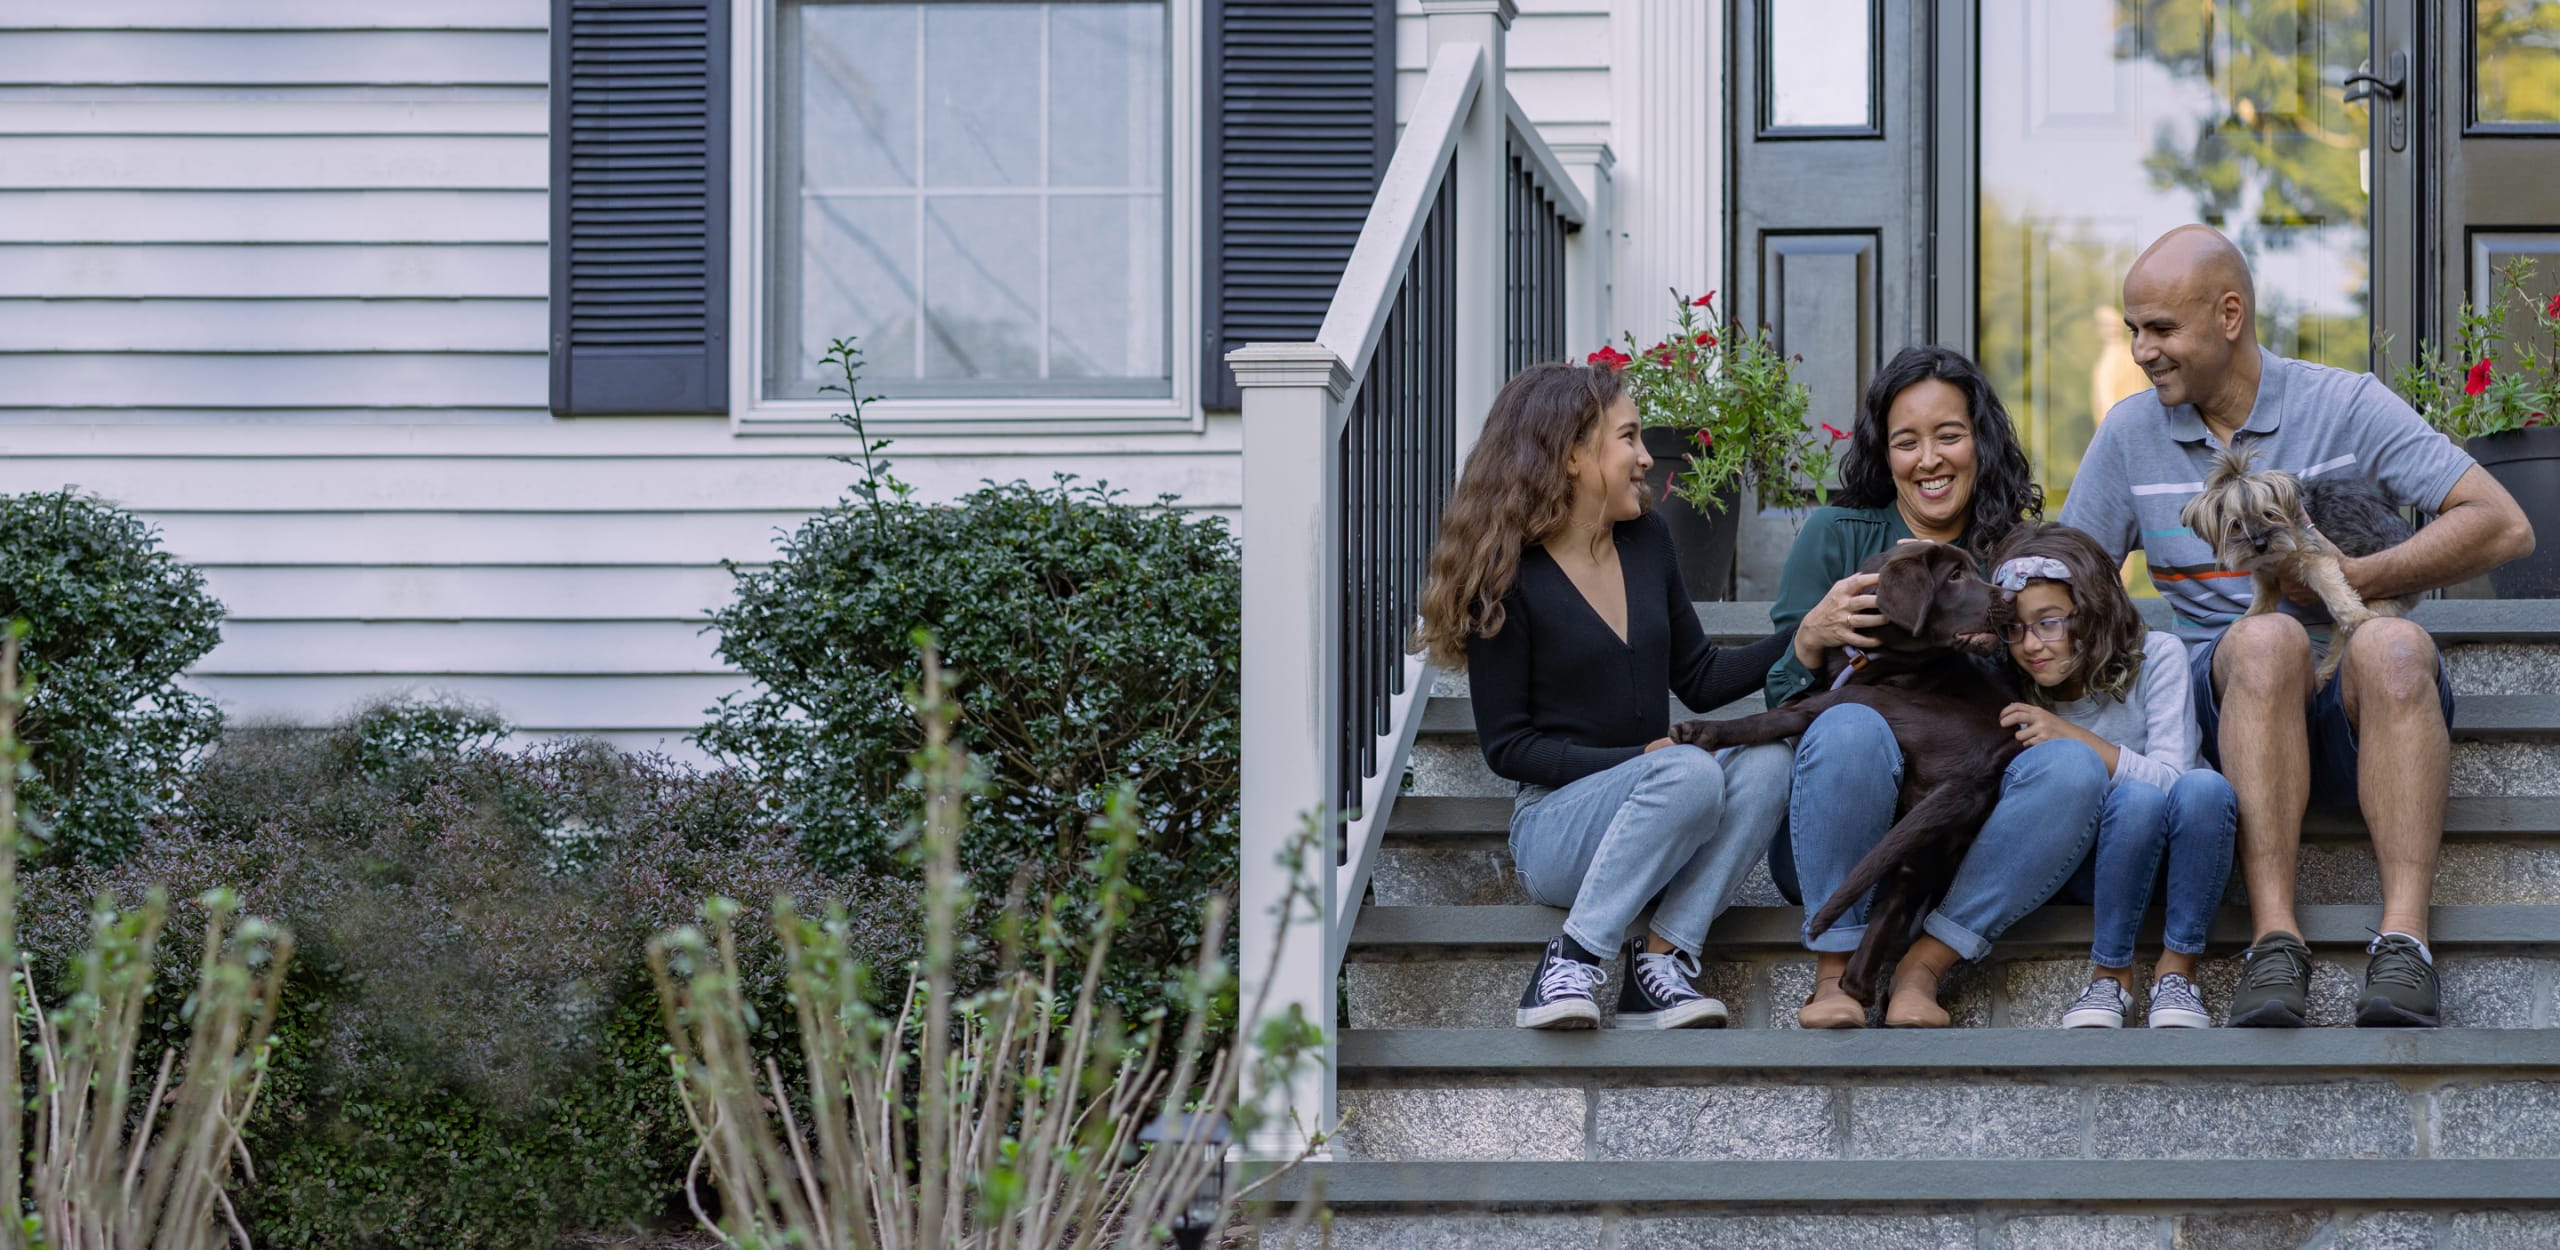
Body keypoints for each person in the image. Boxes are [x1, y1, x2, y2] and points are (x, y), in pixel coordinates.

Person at [2059, 225, 2536, 1028]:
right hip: (2239, 701)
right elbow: (2070, 580)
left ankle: (2405, 942)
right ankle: (2274, 941)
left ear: (2231, 315)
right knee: (2266, 639)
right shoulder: (2129, 434)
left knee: (2393, 643)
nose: (2142, 349)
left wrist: (2348, 579)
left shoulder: (2342, 404)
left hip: (2362, 712)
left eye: (2162, 329)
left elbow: (2502, 525)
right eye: (2135, 329)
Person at [1415, 361, 1797, 1030]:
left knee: (1770, 761)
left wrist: (1806, 640)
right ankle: (1573, 958)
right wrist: (1640, 761)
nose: (1647, 457)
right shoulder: (1508, 576)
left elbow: (1700, 678)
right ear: (1569, 455)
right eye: (1629, 438)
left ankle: (1661, 963)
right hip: (1557, 827)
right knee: (1684, 771)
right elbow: (1509, 748)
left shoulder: (1646, 540)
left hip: (1663, 794)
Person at [1770, 345, 2107, 1029]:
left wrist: (2009, 654)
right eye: (1906, 442)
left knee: (2072, 766)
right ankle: (1835, 974)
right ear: (1883, 453)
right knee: (1850, 724)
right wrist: (1810, 637)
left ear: (1979, 441)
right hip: (1842, 825)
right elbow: (1782, 706)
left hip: (1970, 835)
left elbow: (2067, 689)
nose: (1929, 459)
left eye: (1948, 435)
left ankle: (1922, 970)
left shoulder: (2022, 552)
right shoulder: (1836, 537)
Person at [1986, 523, 2236, 1029]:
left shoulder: (2156, 655)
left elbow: (2174, 778)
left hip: (2182, 860)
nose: (2031, 644)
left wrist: (2077, 739)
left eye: (2049, 621)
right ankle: (2109, 977)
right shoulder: (2011, 687)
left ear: (2092, 611)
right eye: (2014, 628)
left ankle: (2178, 972)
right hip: (2085, 868)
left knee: (2204, 787)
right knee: (2136, 801)